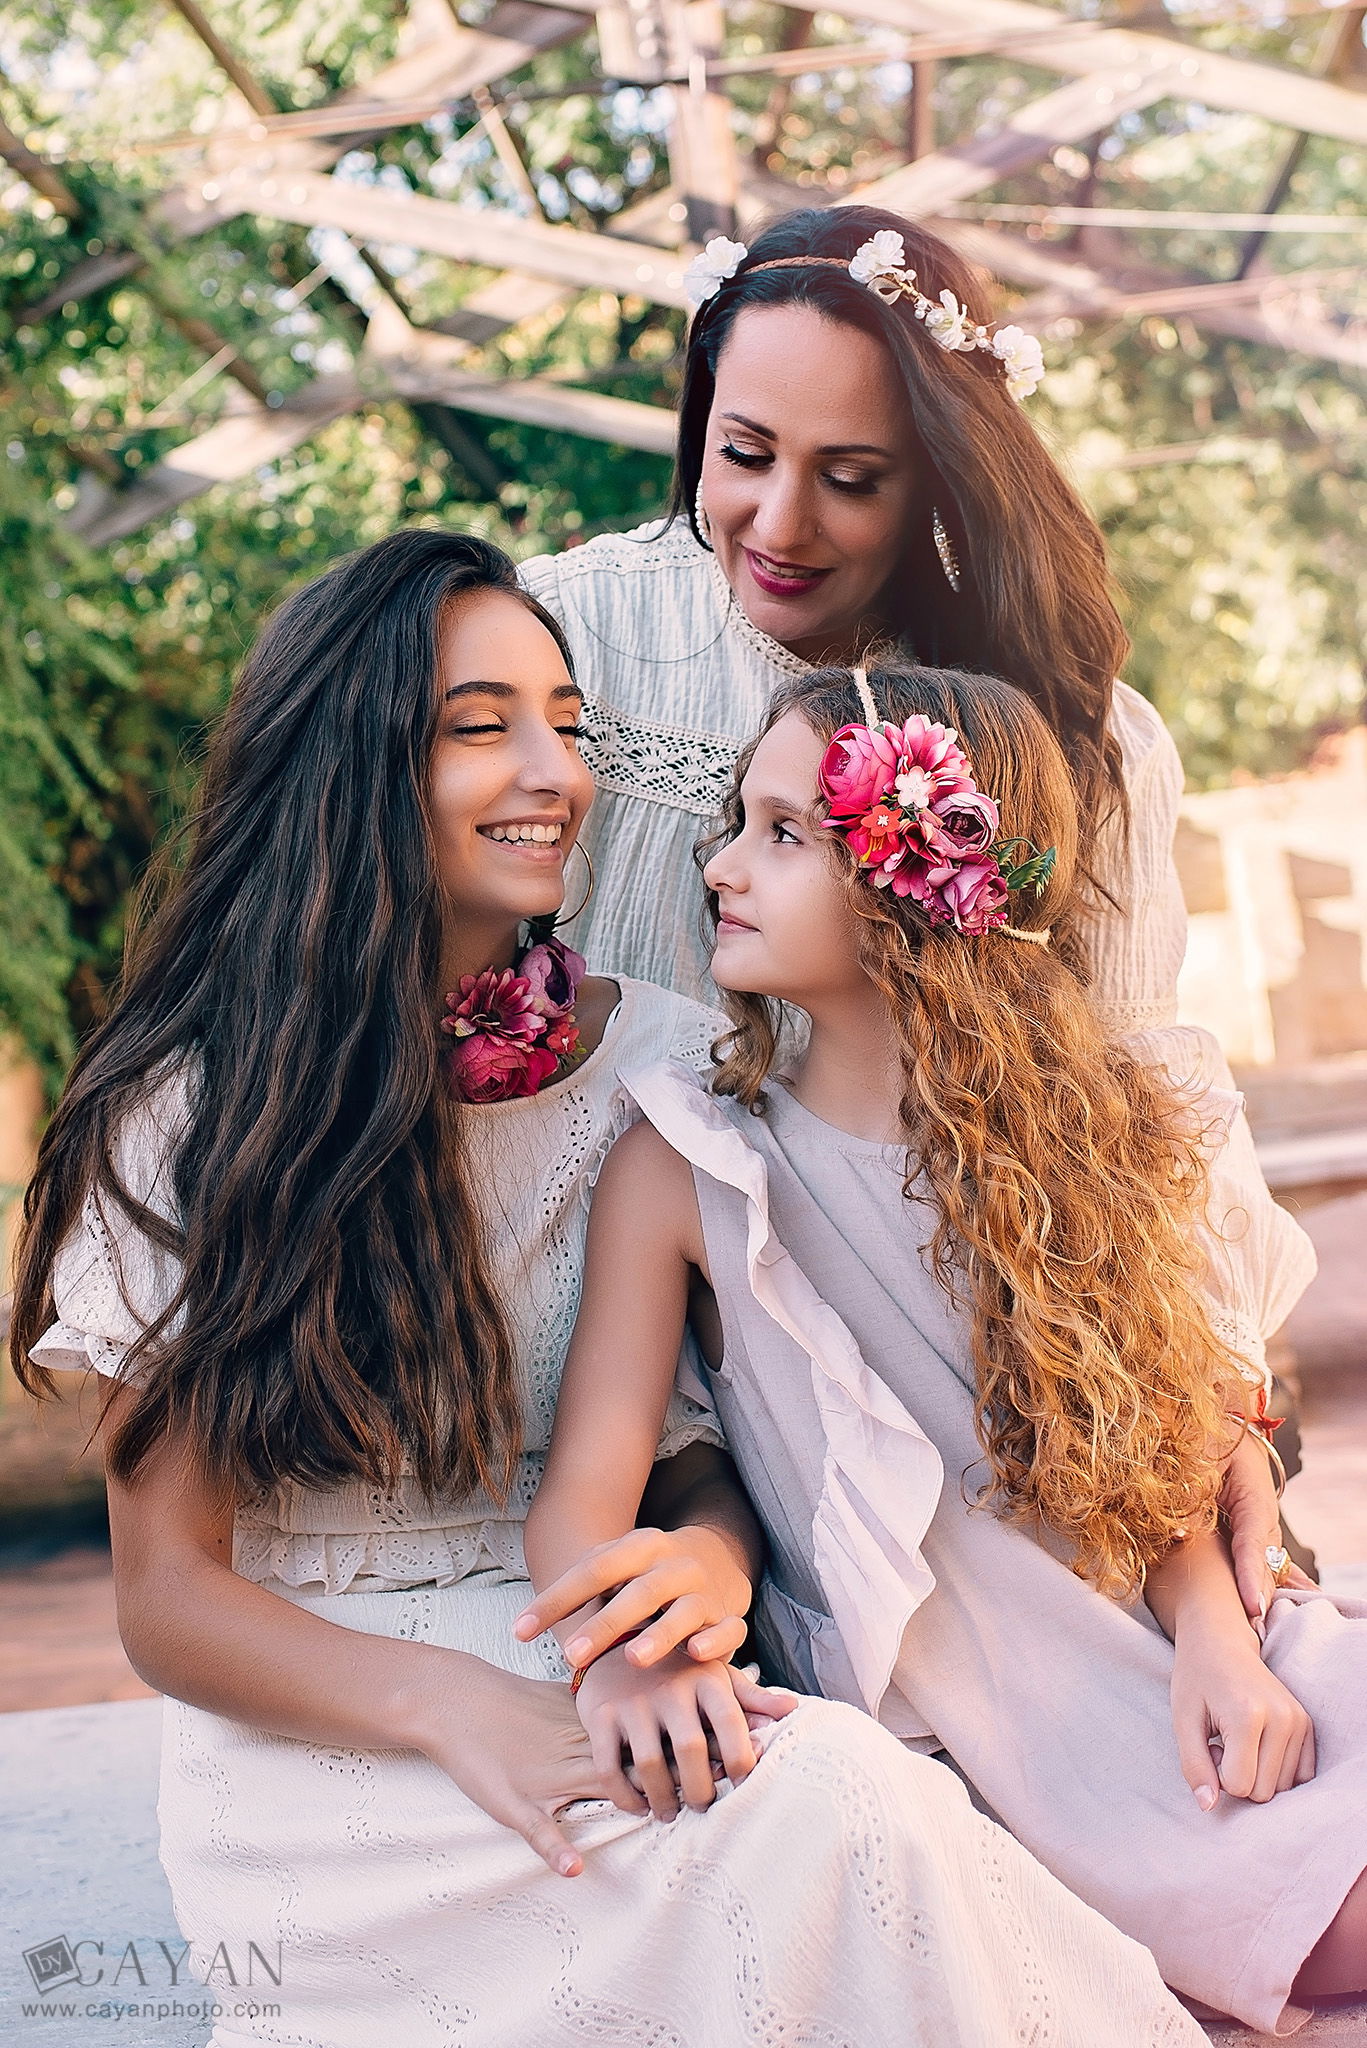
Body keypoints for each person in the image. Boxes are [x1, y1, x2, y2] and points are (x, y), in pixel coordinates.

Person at [10, 534, 1204, 2048]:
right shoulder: (186, 1117)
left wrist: (698, 1577)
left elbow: (697, 1449)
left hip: (600, 1655)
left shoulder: (652, 1065)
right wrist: (454, 1710)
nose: (552, 771)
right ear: (349, 762)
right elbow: (167, 1597)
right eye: (479, 725)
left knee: (852, 1808)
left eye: (569, 725)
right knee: (825, 1826)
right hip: (322, 1736)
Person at [525, 658, 1367, 2037]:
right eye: (740, 821)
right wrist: (629, 1658)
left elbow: (1147, 1453)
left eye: (786, 833)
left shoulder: (1094, 1136)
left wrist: (1221, 1633)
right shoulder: (691, 1168)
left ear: (914, 885)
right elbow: (582, 1501)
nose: (726, 866)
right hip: (1017, 1754)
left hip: (1202, 1687)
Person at [517, 203, 1315, 1610]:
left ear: (944, 478)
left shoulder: (1077, 736)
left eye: (855, 478)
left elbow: (1132, 1089)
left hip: (944, 1368)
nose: (780, 523)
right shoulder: (562, 642)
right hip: (605, 1338)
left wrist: (1216, 1396)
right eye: (744, 456)